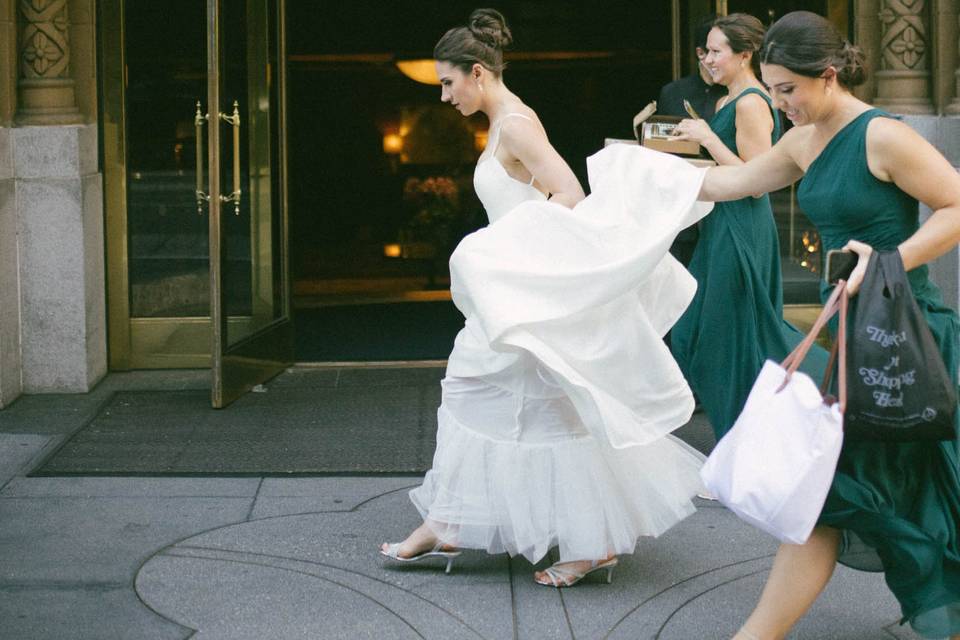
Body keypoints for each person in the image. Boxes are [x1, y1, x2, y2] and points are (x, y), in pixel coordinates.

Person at [380, 8, 713, 587]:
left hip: (525, 288)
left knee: (544, 404)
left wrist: (509, 249)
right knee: (488, 393)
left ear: (478, 73)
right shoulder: (505, 121)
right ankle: (451, 521)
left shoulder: (514, 125)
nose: (442, 95)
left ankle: (587, 541)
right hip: (513, 290)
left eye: (447, 82)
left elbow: (569, 192)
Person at [695, 11, 960, 640]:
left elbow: (956, 205)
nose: (778, 102)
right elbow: (735, 181)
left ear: (829, 76)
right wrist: (636, 184)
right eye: (772, 88)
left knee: (841, 492)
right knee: (849, 493)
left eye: (788, 89)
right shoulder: (801, 140)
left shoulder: (881, 135)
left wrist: (889, 260)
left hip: (907, 337)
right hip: (854, 341)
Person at [670, 13, 824, 442]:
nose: (709, 59)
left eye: (718, 51)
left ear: (744, 54)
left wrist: (707, 139)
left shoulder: (753, 102)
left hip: (741, 228)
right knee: (699, 335)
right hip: (720, 227)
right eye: (708, 50)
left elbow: (755, 181)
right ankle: (744, 441)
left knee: (730, 340)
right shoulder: (728, 99)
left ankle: (749, 440)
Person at [656, 13, 727, 270]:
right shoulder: (673, 92)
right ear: (700, 53)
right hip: (682, 195)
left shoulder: (735, 95)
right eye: (709, 52)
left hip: (723, 194)